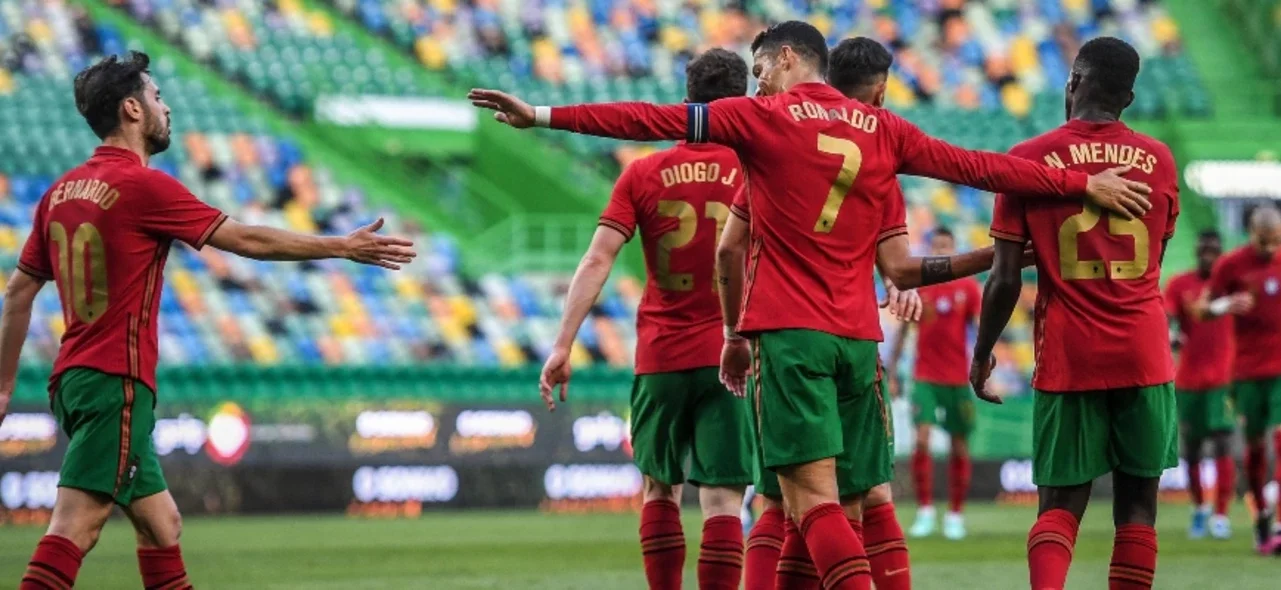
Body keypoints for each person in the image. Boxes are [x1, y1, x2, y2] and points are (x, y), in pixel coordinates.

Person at [471, 21, 1152, 589]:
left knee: (805, 499)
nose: (757, 79)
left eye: (761, 67)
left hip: (787, 338)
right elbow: (975, 166)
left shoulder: (761, 117)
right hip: (858, 343)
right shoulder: (884, 130)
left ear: (789, 58)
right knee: (842, 502)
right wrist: (1077, 182)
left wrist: (544, 115)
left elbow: (651, 119)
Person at [2, 52, 415, 590]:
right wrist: (340, 244)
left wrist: (4, 385)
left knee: (162, 526)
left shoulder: (57, 194)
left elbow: (17, 294)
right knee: (76, 525)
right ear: (132, 109)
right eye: (156, 97)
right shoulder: (144, 186)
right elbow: (245, 239)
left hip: (74, 381)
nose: (165, 107)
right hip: (115, 383)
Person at [536, 48, 756, 590]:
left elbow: (596, 260)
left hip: (660, 354)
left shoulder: (643, 174)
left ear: (686, 105)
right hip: (733, 350)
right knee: (725, 497)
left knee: (660, 488)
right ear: (746, 103)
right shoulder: (757, 171)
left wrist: (563, 344)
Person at [970, 37, 1179, 590]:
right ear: (1129, 98)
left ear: (1073, 81)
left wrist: (982, 351)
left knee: (1060, 505)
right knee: (1138, 503)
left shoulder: (1027, 158)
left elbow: (1006, 277)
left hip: (1070, 351)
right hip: (1144, 350)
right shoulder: (1158, 159)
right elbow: (1153, 258)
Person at [886, 226, 981, 541]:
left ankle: (955, 514)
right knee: (922, 441)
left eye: (946, 247)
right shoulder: (919, 288)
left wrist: (985, 361)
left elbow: (980, 329)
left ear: (954, 250)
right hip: (924, 376)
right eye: (936, 247)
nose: (941, 253)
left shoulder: (968, 288)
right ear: (929, 250)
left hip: (957, 378)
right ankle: (925, 511)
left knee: (959, 446)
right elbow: (902, 331)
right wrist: (892, 370)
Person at [1206, 205, 1281, 552]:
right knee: (1255, 449)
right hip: (1248, 372)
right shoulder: (1231, 265)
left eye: (1276, 242)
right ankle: (1262, 514)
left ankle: (1279, 523)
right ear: (1252, 233)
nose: (1270, 249)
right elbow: (1203, 307)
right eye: (1265, 242)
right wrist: (1224, 306)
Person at [1164, 231, 1240, 540]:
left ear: (1221, 252)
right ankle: (1199, 508)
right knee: (1192, 449)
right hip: (1189, 381)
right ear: (1197, 250)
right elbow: (1168, 316)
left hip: (1223, 379)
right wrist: (1170, 333)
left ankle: (1221, 514)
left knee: (1223, 442)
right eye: (1204, 247)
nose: (1208, 252)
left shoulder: (1233, 286)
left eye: (1213, 248)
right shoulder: (1180, 284)